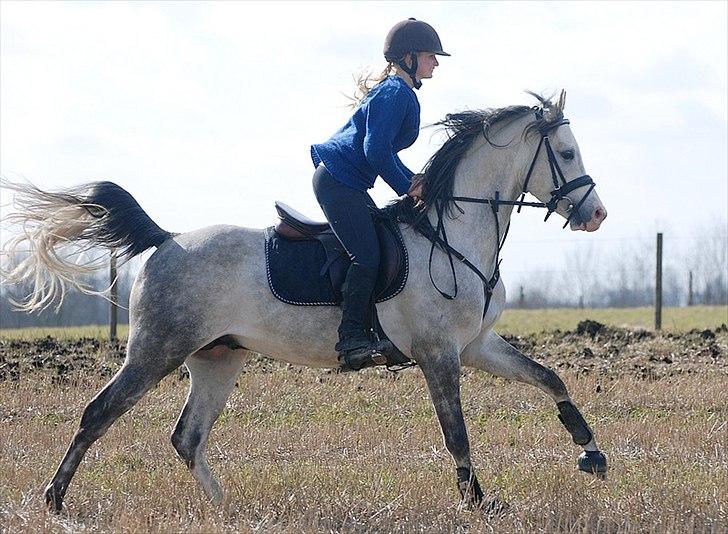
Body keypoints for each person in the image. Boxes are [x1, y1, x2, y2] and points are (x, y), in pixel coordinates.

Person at [310, 18, 449, 370]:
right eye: (431, 55)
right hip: (338, 181)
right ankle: (351, 338)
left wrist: (415, 180)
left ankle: (378, 330)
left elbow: (384, 154)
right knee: (368, 255)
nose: (436, 62)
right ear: (409, 57)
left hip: (348, 182)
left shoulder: (399, 91)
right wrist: (408, 185)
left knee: (383, 245)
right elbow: (375, 152)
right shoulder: (394, 93)